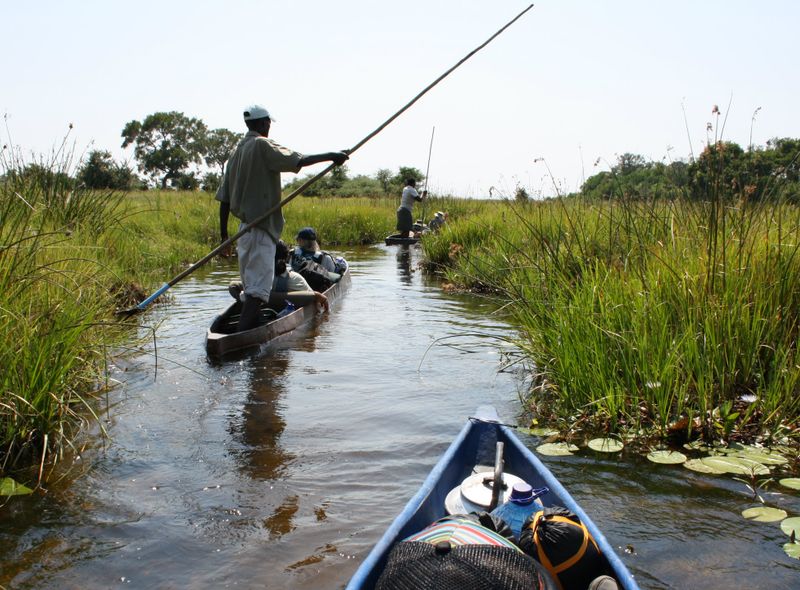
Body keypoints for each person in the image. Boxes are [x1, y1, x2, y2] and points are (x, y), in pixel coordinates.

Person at [216, 104, 347, 331]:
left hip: (243, 231)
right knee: (257, 293)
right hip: (260, 231)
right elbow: (298, 160)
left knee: (252, 289)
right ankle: (244, 343)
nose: (269, 126)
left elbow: (224, 200)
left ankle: (252, 328)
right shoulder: (262, 144)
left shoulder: (236, 152)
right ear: (264, 123)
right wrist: (331, 156)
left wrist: (224, 237)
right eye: (268, 123)